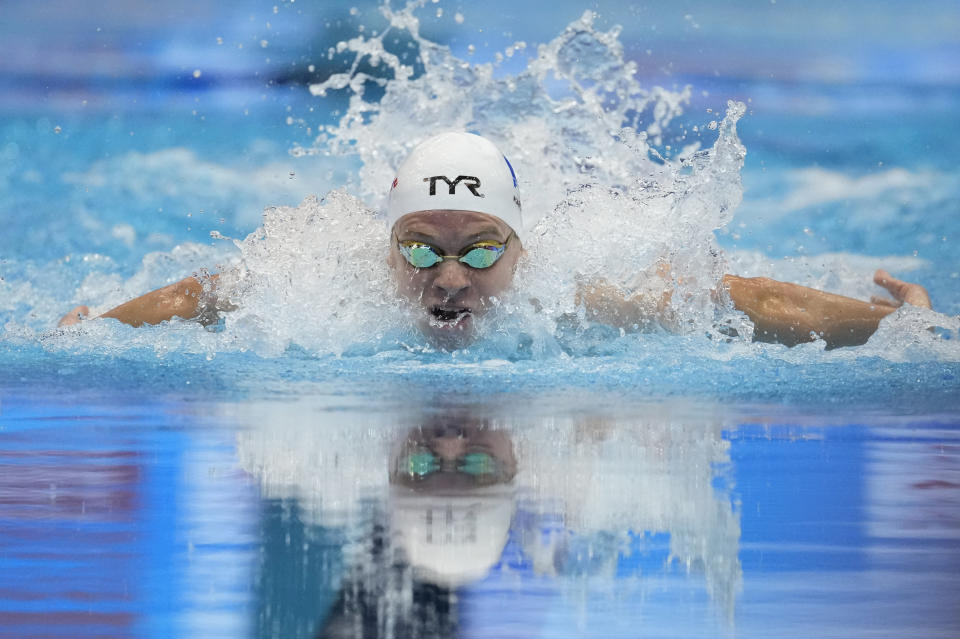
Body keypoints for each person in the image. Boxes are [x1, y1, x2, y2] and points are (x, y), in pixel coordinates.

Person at [58, 132, 933, 350]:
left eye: (480, 248)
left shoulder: (587, 295)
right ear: (385, 243)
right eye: (418, 248)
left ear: (523, 251)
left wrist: (903, 325)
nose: (447, 279)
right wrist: (92, 332)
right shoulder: (324, 293)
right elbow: (198, 295)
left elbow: (748, 298)